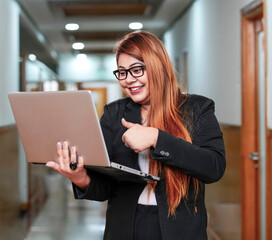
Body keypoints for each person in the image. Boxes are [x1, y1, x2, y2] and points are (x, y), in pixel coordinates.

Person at [46, 31, 226, 240]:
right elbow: (106, 187)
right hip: (125, 228)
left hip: (180, 229)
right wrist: (80, 178)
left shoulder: (197, 108)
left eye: (137, 70)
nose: (129, 80)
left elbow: (214, 167)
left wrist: (157, 138)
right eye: (122, 72)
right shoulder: (114, 114)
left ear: (158, 67)